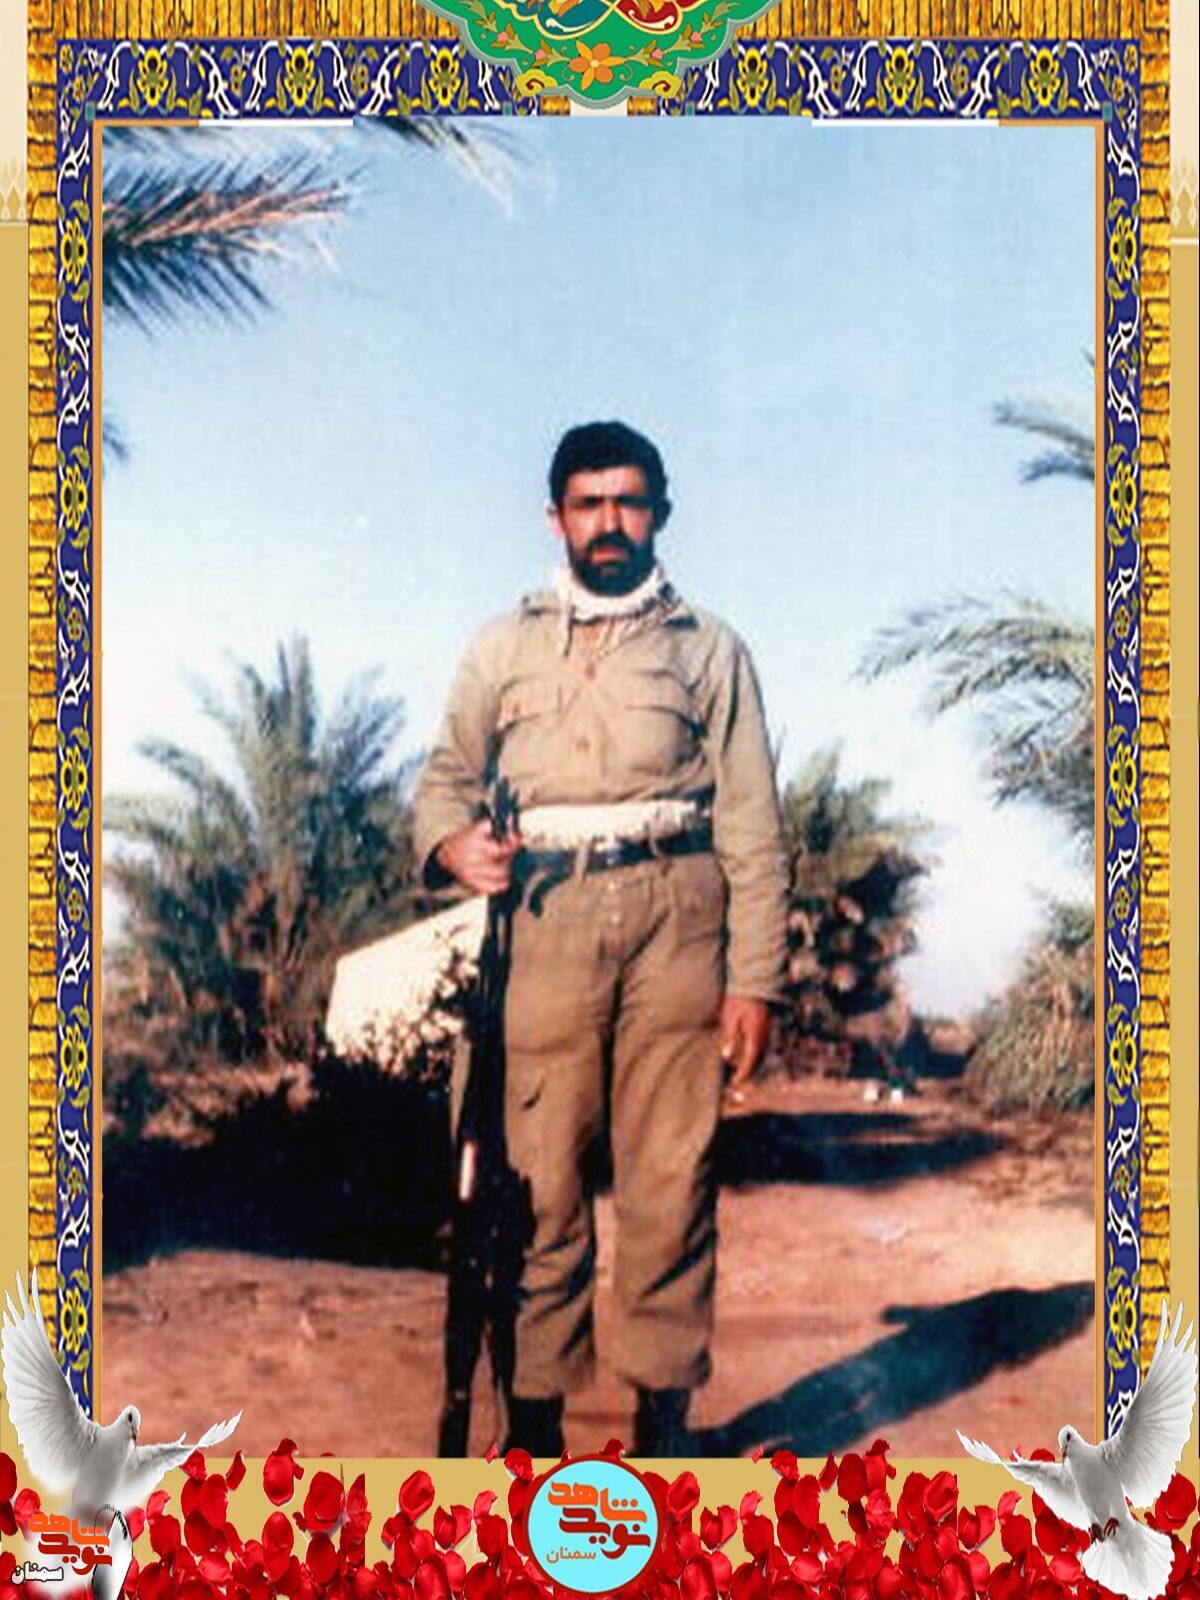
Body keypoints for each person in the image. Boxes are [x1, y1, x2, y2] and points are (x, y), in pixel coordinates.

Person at [413, 420, 789, 1456]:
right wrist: (451, 842)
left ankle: (663, 1435)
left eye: (628, 501)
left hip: (679, 917)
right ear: (557, 518)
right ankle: (534, 1432)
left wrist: (755, 978)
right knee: (537, 1184)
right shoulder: (502, 646)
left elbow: (753, 820)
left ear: (660, 512)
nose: (609, 522)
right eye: (589, 504)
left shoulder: (709, 649)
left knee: (672, 1181)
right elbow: (445, 775)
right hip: (543, 922)